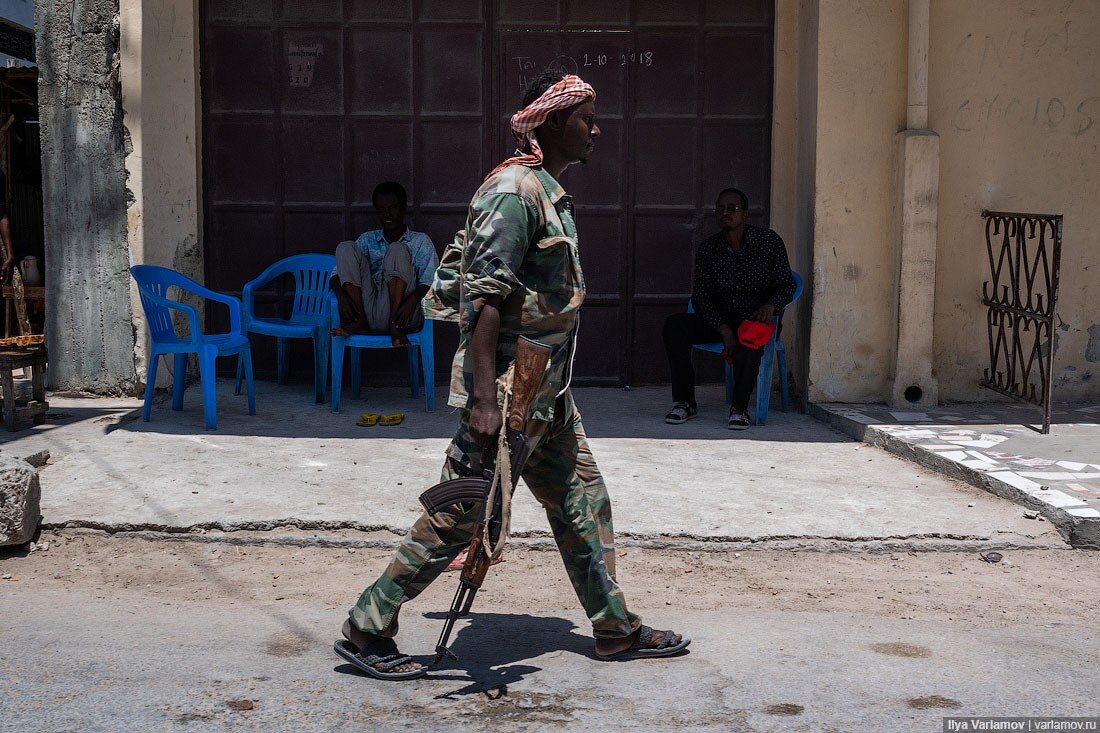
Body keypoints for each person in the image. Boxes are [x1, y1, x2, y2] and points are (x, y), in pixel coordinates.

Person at [335, 70, 689, 680]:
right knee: (461, 513)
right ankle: (367, 628)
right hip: (505, 392)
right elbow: (483, 301)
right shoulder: (514, 193)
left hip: (546, 391)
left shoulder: (549, 191)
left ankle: (612, 627)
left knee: (582, 501)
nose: (597, 130)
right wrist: (482, 400)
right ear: (553, 120)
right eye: (588, 117)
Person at [662, 187, 795, 430]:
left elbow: (787, 284)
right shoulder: (709, 249)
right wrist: (723, 328)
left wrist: (771, 305)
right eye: (721, 208)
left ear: (745, 214)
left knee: (750, 342)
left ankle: (739, 409)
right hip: (719, 321)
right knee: (675, 326)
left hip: (754, 320)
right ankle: (685, 402)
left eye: (732, 208)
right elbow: (700, 296)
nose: (726, 213)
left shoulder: (769, 242)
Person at [331, 181, 439, 346]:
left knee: (397, 249)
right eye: (381, 209)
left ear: (403, 208)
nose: (387, 214)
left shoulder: (420, 241)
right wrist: (342, 298)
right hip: (367, 309)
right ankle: (359, 322)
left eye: (393, 208)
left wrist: (411, 302)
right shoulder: (367, 239)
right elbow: (336, 275)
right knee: (345, 247)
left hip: (403, 313)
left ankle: (395, 327)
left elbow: (431, 280)